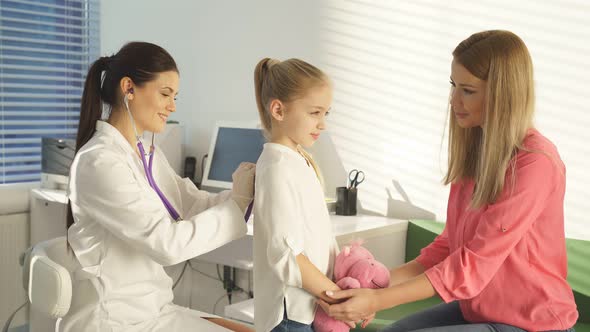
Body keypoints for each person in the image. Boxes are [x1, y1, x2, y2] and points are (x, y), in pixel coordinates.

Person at [318, 30, 579, 332]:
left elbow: (471, 265)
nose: (454, 100)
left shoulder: (535, 162)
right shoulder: (478, 154)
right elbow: (448, 246)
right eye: (453, 85)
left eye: (467, 90)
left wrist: (378, 302)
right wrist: (375, 285)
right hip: (480, 312)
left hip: (535, 324)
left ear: (502, 94)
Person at [62, 41, 255, 332]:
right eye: (165, 94)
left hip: (155, 310)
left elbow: (191, 204)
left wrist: (246, 196)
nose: (173, 106)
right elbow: (167, 244)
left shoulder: (146, 154)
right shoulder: (99, 162)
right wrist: (237, 204)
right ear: (129, 88)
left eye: (175, 96)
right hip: (116, 320)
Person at [252, 58, 353, 332]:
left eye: (326, 114)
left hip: (306, 308)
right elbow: (286, 255)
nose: (322, 124)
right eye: (314, 113)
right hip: (289, 315)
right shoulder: (277, 167)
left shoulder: (299, 160)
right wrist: (336, 297)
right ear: (278, 110)